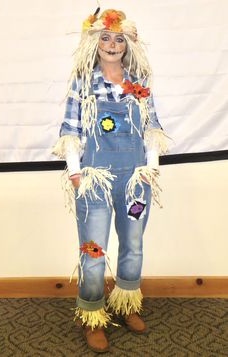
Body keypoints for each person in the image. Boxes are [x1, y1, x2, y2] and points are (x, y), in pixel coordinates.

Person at [53, 8, 168, 353]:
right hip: (94, 180)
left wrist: (151, 168)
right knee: (94, 251)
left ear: (129, 44)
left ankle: (126, 303)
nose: (112, 44)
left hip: (135, 182)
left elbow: (151, 127)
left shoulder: (140, 82)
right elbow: (71, 129)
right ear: (94, 42)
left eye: (119, 39)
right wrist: (75, 173)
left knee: (133, 244)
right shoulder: (83, 82)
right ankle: (92, 315)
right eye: (105, 37)